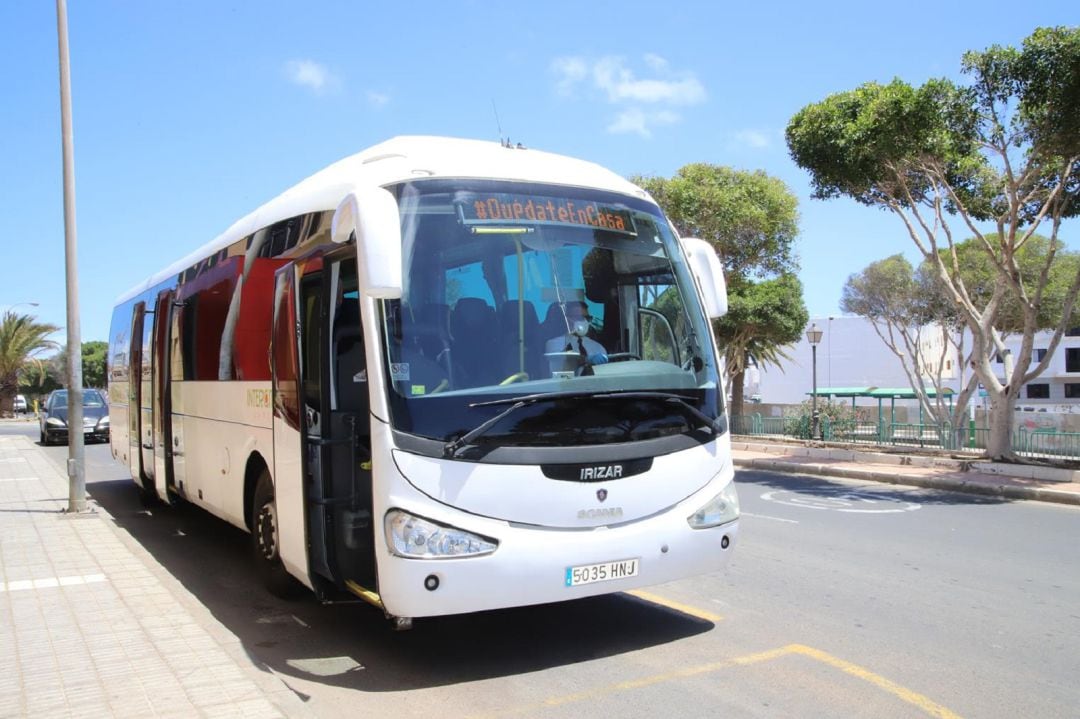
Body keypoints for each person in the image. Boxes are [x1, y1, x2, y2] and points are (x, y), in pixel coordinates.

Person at [544, 301, 608, 372]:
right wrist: (586, 359)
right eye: (580, 318)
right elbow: (562, 362)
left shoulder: (598, 347)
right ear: (568, 319)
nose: (585, 321)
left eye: (587, 318)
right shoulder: (554, 344)